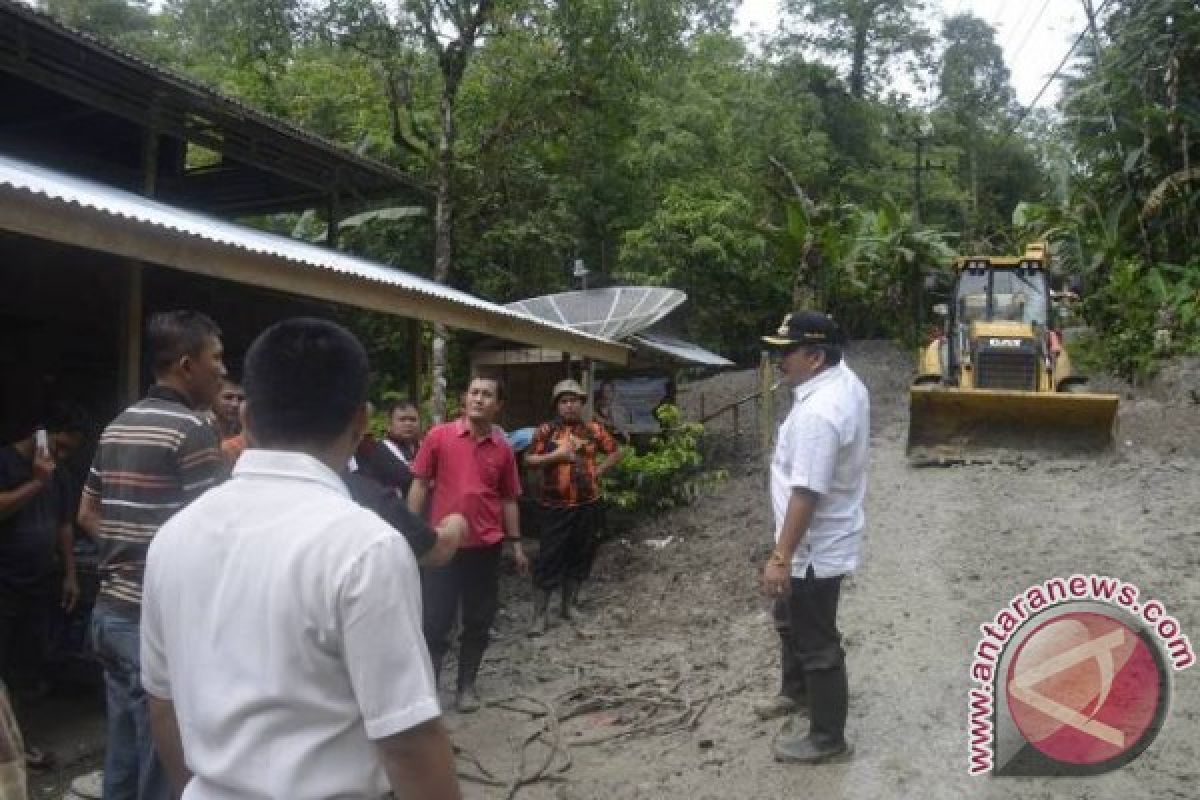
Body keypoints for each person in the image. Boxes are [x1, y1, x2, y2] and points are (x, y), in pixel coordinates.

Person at [140, 318, 461, 799]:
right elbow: (408, 739)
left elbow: (162, 705)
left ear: (246, 418)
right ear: (360, 422)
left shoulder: (172, 538)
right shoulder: (364, 547)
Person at [77, 310, 226, 800]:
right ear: (187, 365)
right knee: (163, 758)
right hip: (153, 620)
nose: (222, 370)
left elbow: (87, 513)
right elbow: (214, 534)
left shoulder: (119, 424)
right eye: (216, 359)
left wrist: (127, 547)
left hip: (109, 614)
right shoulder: (192, 430)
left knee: (122, 748)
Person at [759, 310, 868, 764]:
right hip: (816, 541)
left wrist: (781, 556)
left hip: (811, 548)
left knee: (817, 639)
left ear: (816, 356)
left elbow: (806, 492)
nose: (779, 360)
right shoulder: (843, 384)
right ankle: (797, 691)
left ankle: (828, 739)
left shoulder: (820, 413)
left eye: (788, 352)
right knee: (792, 622)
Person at [408, 376, 529, 713]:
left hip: (486, 548)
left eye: (487, 394)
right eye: (473, 392)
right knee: (435, 621)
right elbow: (419, 485)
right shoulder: (439, 436)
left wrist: (516, 544)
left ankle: (466, 688)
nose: (478, 399)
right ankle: (427, 692)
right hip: (442, 546)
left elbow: (508, 500)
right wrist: (408, 533)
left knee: (478, 621)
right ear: (464, 398)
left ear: (498, 405)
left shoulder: (503, 447)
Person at [0, 406, 87, 769]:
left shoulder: (60, 473)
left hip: (39, 581)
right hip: (4, 581)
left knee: (24, 668)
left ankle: (16, 743)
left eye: (69, 451)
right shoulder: (5, 463)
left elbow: (64, 524)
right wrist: (36, 482)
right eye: (59, 446)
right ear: (40, 434)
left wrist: (70, 574)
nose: (62, 455)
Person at [524, 380, 620, 636]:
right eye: (564, 401)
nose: (569, 405)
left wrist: (597, 472)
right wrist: (556, 456)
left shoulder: (593, 430)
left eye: (574, 400)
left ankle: (569, 606)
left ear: (581, 403)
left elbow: (615, 451)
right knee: (548, 559)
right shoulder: (546, 431)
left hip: (587, 504)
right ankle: (539, 616)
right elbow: (529, 459)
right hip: (554, 506)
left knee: (581, 554)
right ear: (557, 405)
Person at [362, 400, 421, 498]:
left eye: (413, 420)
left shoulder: (424, 448)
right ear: (389, 424)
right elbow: (406, 478)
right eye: (402, 420)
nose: (408, 424)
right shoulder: (381, 451)